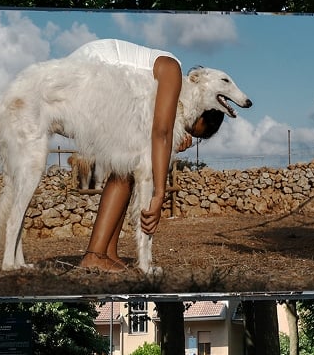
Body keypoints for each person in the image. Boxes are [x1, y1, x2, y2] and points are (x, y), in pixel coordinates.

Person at [72, 39, 225, 272]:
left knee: (127, 168)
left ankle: (107, 253)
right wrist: (160, 193)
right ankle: (94, 254)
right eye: (191, 126)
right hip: (91, 73)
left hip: (94, 74)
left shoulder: (170, 86)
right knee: (129, 165)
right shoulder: (173, 71)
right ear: (201, 109)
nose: (186, 130)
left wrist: (172, 140)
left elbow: (161, 134)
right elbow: (161, 133)